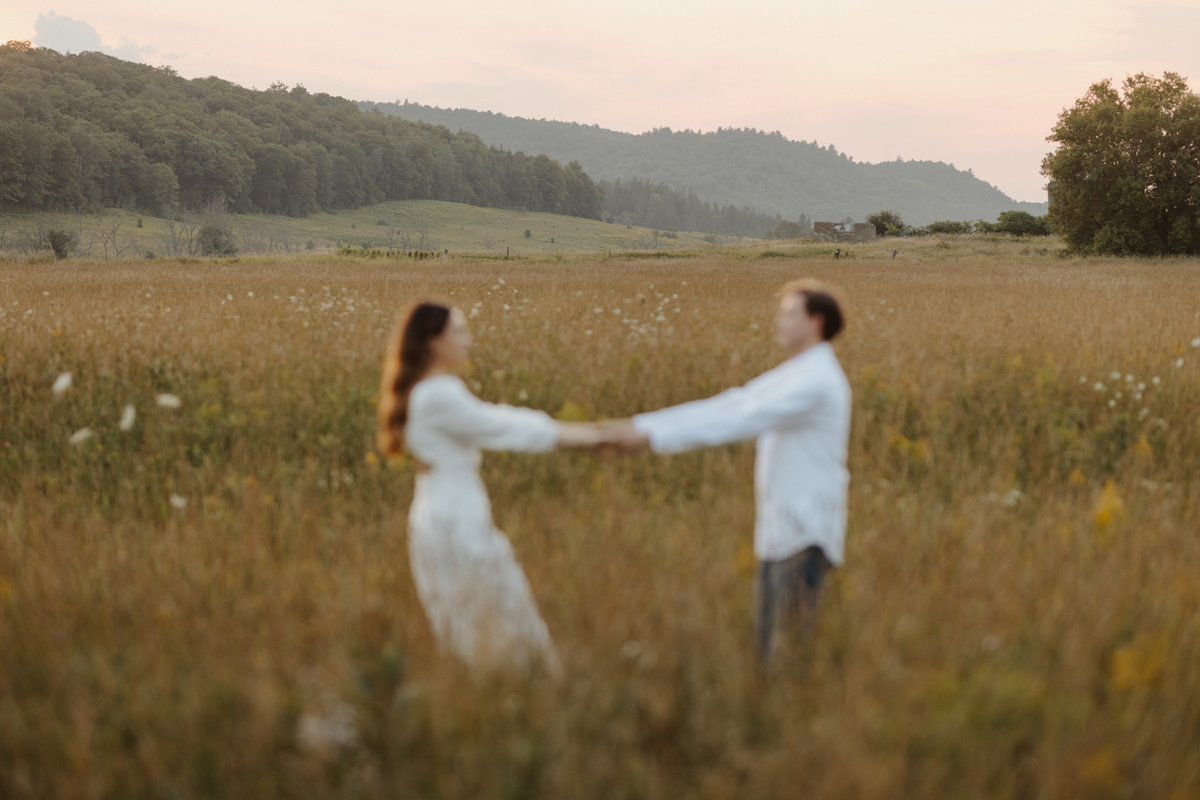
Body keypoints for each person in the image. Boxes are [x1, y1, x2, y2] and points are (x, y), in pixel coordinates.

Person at [608, 280, 851, 662]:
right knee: (769, 650)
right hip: (781, 533)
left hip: (804, 534)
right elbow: (733, 403)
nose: (778, 322)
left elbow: (740, 417)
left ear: (816, 322)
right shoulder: (796, 373)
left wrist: (647, 435)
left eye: (789, 314)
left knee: (784, 656)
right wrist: (642, 426)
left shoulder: (816, 381)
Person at [377, 301, 609, 673]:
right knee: (501, 620)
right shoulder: (438, 394)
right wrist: (584, 436)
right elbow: (499, 426)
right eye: (459, 331)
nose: (467, 340)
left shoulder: (426, 391)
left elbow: (493, 421)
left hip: (439, 515)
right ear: (434, 341)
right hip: (456, 520)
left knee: (467, 625)